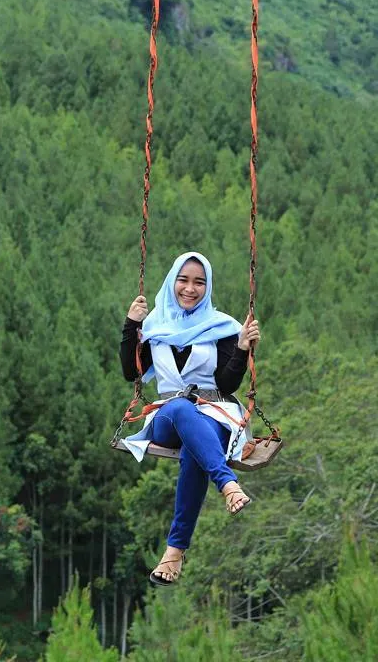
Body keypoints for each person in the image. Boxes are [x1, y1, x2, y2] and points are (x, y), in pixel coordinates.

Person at [118, 251, 261, 586]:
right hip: (168, 414)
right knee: (182, 409)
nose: (190, 289)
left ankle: (174, 553)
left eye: (199, 282)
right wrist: (131, 326)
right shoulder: (153, 325)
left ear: (208, 287)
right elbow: (130, 372)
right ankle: (227, 483)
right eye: (183, 280)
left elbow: (226, 385)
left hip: (214, 412)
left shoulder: (222, 326)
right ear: (172, 282)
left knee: (197, 450)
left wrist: (241, 348)